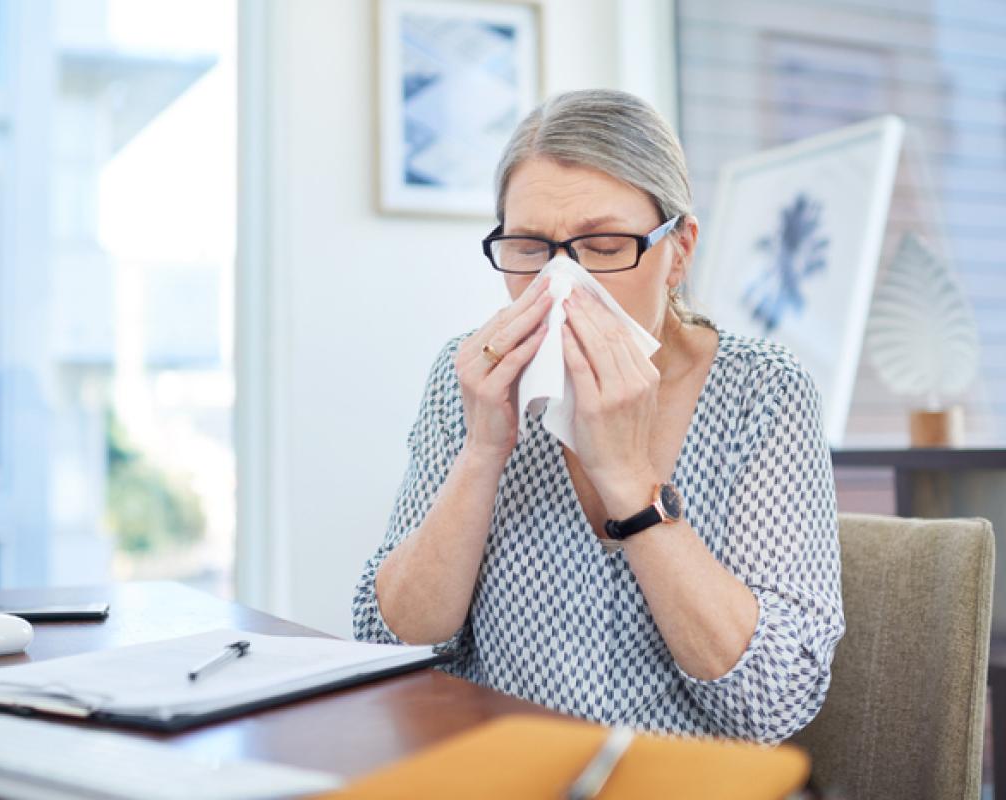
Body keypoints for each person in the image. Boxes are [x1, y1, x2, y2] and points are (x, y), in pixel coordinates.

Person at [352, 89, 844, 743]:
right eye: (529, 248)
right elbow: (393, 643)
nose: (561, 282)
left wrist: (626, 475)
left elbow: (774, 699)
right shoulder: (469, 375)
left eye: (605, 245)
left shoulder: (763, 393)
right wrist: (481, 453)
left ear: (679, 250)